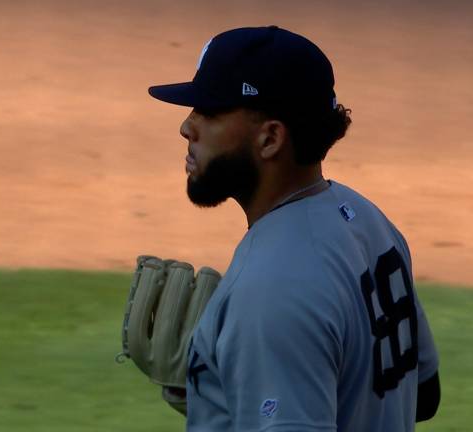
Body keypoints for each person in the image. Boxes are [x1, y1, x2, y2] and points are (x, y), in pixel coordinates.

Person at [148, 25, 440, 432]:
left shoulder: (271, 289)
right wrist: (223, 390)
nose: (187, 128)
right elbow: (423, 395)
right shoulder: (368, 219)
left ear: (270, 139)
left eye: (209, 113)